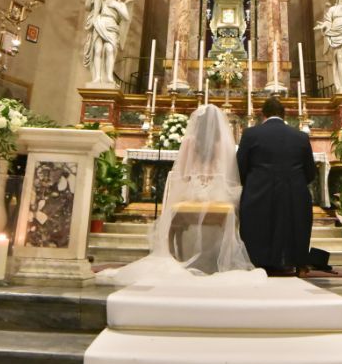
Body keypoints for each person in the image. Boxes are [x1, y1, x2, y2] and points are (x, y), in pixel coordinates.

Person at [98, 104, 261, 286]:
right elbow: (228, 171)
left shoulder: (190, 140)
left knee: (176, 219)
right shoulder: (222, 142)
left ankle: (176, 257)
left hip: (193, 191)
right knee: (231, 210)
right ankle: (217, 261)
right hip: (217, 193)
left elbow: (182, 173)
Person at [237, 96, 316, 275]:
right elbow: (310, 171)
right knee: (294, 225)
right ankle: (296, 261)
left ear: (262, 115)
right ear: (284, 114)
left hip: (259, 190)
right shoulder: (301, 136)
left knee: (258, 224)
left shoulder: (250, 134)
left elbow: (240, 167)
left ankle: (259, 261)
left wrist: (249, 184)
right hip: (293, 190)